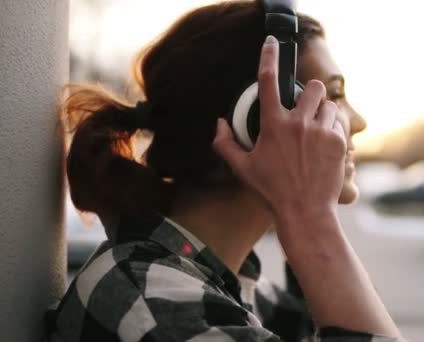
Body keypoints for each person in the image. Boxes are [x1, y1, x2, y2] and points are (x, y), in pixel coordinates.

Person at [47, 1, 402, 341]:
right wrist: (310, 215)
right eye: (336, 95)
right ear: (256, 121)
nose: (359, 121)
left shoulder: (236, 284)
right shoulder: (151, 299)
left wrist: (300, 212)